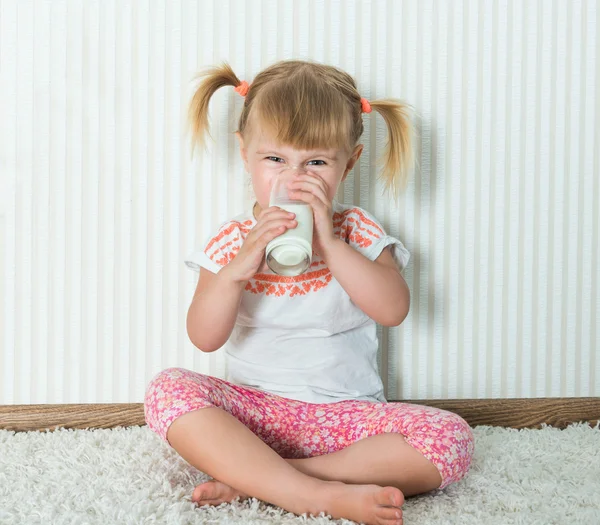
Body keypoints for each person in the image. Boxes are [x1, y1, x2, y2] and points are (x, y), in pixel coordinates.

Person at [144, 59, 474, 525]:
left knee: (451, 437)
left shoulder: (355, 230)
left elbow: (393, 309)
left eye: (316, 162)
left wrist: (333, 246)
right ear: (245, 153)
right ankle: (310, 494)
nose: (294, 179)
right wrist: (238, 269)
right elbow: (204, 336)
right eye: (275, 159)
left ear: (349, 163)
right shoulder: (232, 240)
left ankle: (272, 482)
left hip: (348, 423)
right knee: (166, 389)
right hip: (254, 422)